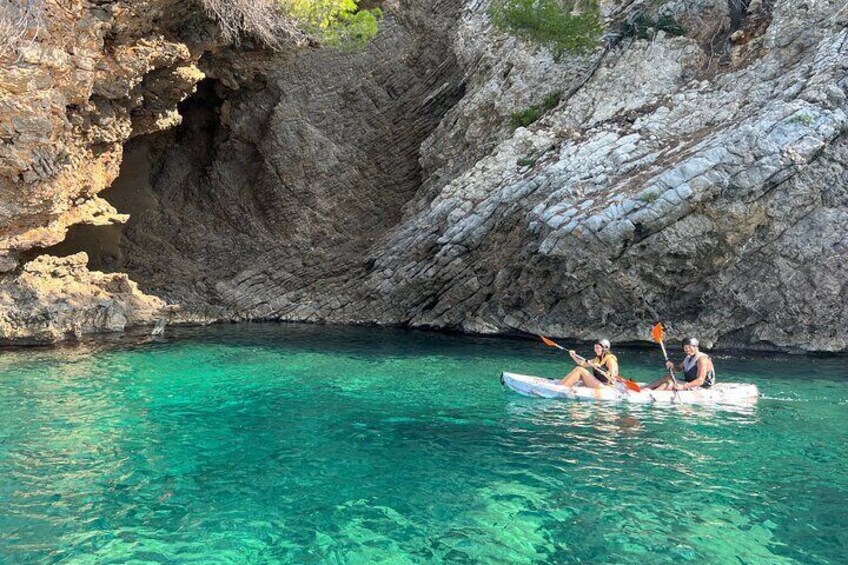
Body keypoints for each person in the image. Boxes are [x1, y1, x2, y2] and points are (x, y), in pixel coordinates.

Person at [644, 337, 716, 390]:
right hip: (690, 382)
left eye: (689, 347)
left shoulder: (702, 359)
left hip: (703, 386)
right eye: (685, 348)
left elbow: (700, 380)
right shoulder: (688, 358)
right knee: (669, 377)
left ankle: (653, 393)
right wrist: (672, 366)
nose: (687, 350)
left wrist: (683, 386)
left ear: (696, 347)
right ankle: (646, 388)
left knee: (670, 383)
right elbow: (678, 369)